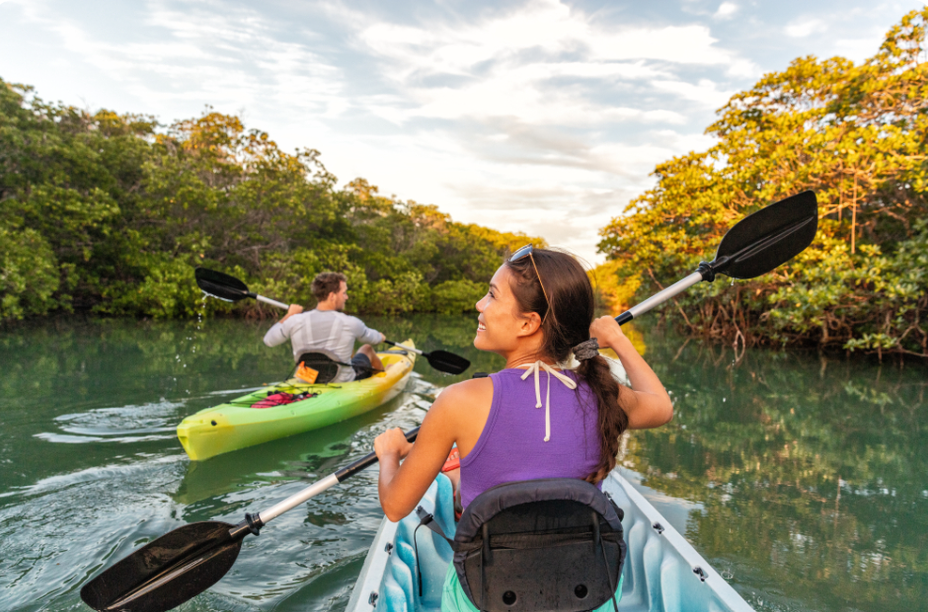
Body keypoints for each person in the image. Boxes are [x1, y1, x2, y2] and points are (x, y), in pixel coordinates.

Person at [373, 246, 674, 610]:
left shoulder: (458, 400)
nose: (479, 305)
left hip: (489, 597)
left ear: (528, 323)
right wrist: (617, 339)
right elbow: (661, 407)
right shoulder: (603, 393)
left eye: (491, 295)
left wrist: (390, 454)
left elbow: (395, 506)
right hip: (585, 594)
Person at [263, 272, 386, 382]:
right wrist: (381, 337)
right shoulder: (351, 322)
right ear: (332, 296)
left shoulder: (295, 320)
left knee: (350, 351)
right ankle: (385, 376)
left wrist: (289, 315)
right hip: (340, 381)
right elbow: (374, 339)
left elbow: (269, 340)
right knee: (367, 349)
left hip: (306, 379)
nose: (346, 297)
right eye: (344, 293)